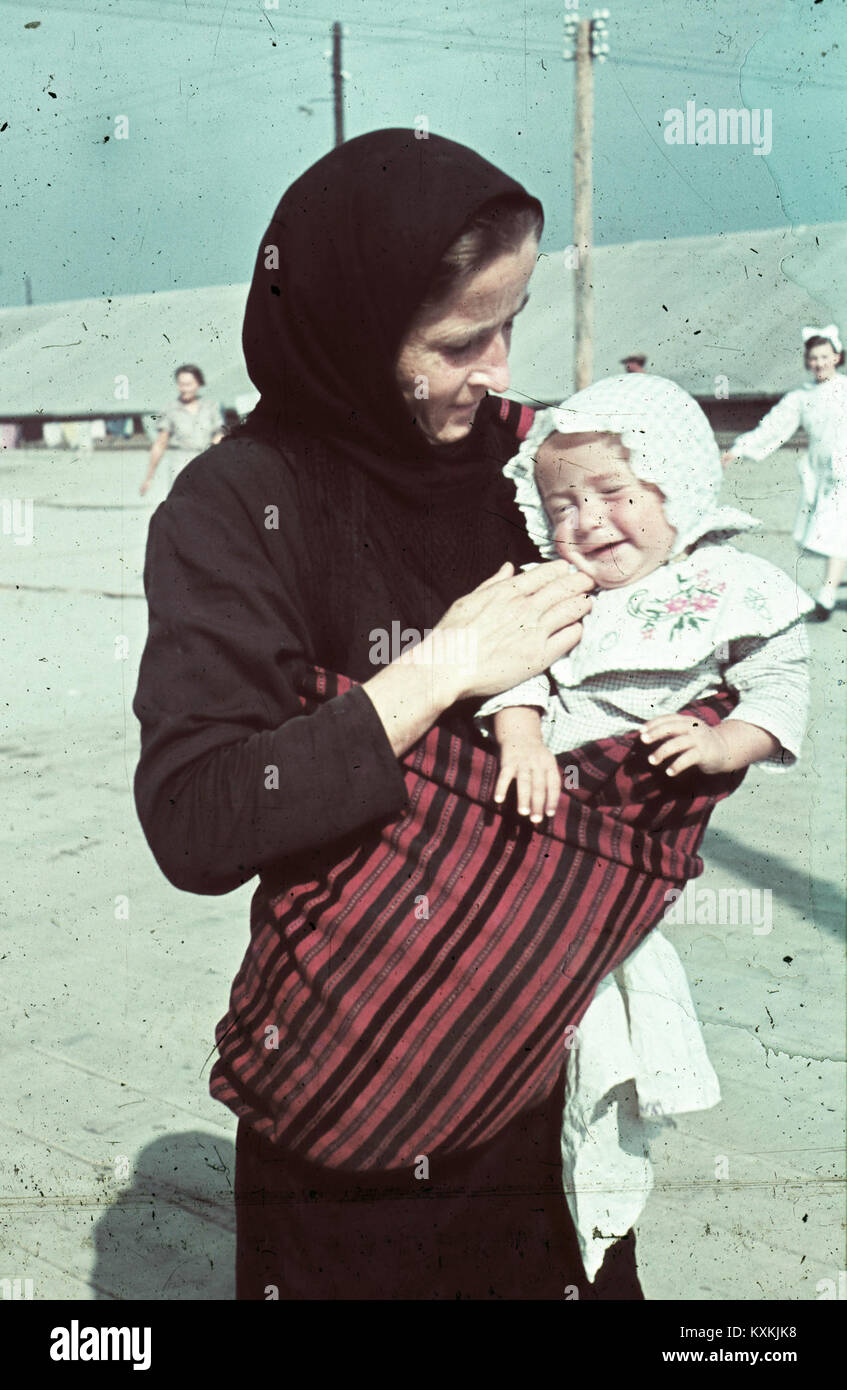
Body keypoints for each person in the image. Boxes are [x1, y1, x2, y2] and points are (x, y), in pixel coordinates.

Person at [133, 129, 620, 1301]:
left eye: (511, 325)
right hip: (356, 1084)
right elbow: (198, 817)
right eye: (459, 342)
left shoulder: (516, 471)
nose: (499, 370)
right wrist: (445, 666)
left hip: (533, 1075)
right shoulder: (240, 502)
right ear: (353, 336)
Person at [476, 372, 813, 1281]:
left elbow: (780, 694)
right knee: (554, 1023)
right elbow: (513, 673)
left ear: (678, 483)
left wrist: (718, 742)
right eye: (562, 504)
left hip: (629, 856)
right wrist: (519, 735)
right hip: (543, 818)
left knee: (606, 1024)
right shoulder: (553, 588)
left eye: (615, 496)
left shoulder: (731, 585)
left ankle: (597, 1201)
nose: (588, 523)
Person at [721, 325, 847, 621]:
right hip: (822, 472)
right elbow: (775, 426)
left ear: (837, 357)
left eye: (825, 357)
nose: (819, 363)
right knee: (827, 530)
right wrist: (740, 448)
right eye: (814, 358)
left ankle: (826, 597)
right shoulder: (801, 397)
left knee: (836, 530)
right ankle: (832, 587)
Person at [139, 364, 224, 496]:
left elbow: (220, 432)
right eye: (180, 384)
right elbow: (160, 444)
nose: (183, 389)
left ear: (198, 384)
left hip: (207, 462)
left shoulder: (211, 407)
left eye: (188, 384)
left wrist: (212, 452)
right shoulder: (170, 409)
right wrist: (149, 478)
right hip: (180, 464)